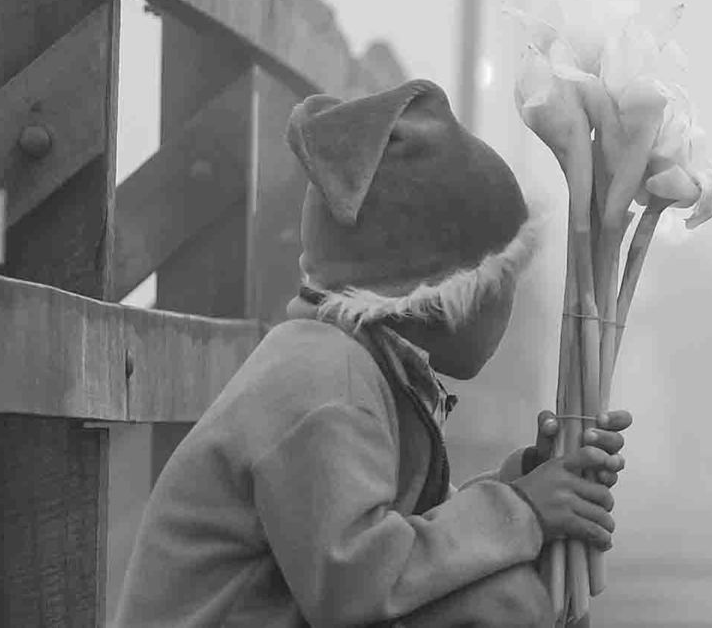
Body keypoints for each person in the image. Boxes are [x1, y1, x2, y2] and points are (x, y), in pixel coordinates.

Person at [115, 80, 631, 627]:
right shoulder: (326, 384)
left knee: (507, 589)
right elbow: (356, 583)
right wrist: (521, 510)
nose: (509, 303)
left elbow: (402, 538)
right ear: (444, 295)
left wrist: (522, 482)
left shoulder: (356, 365)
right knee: (503, 604)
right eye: (505, 280)